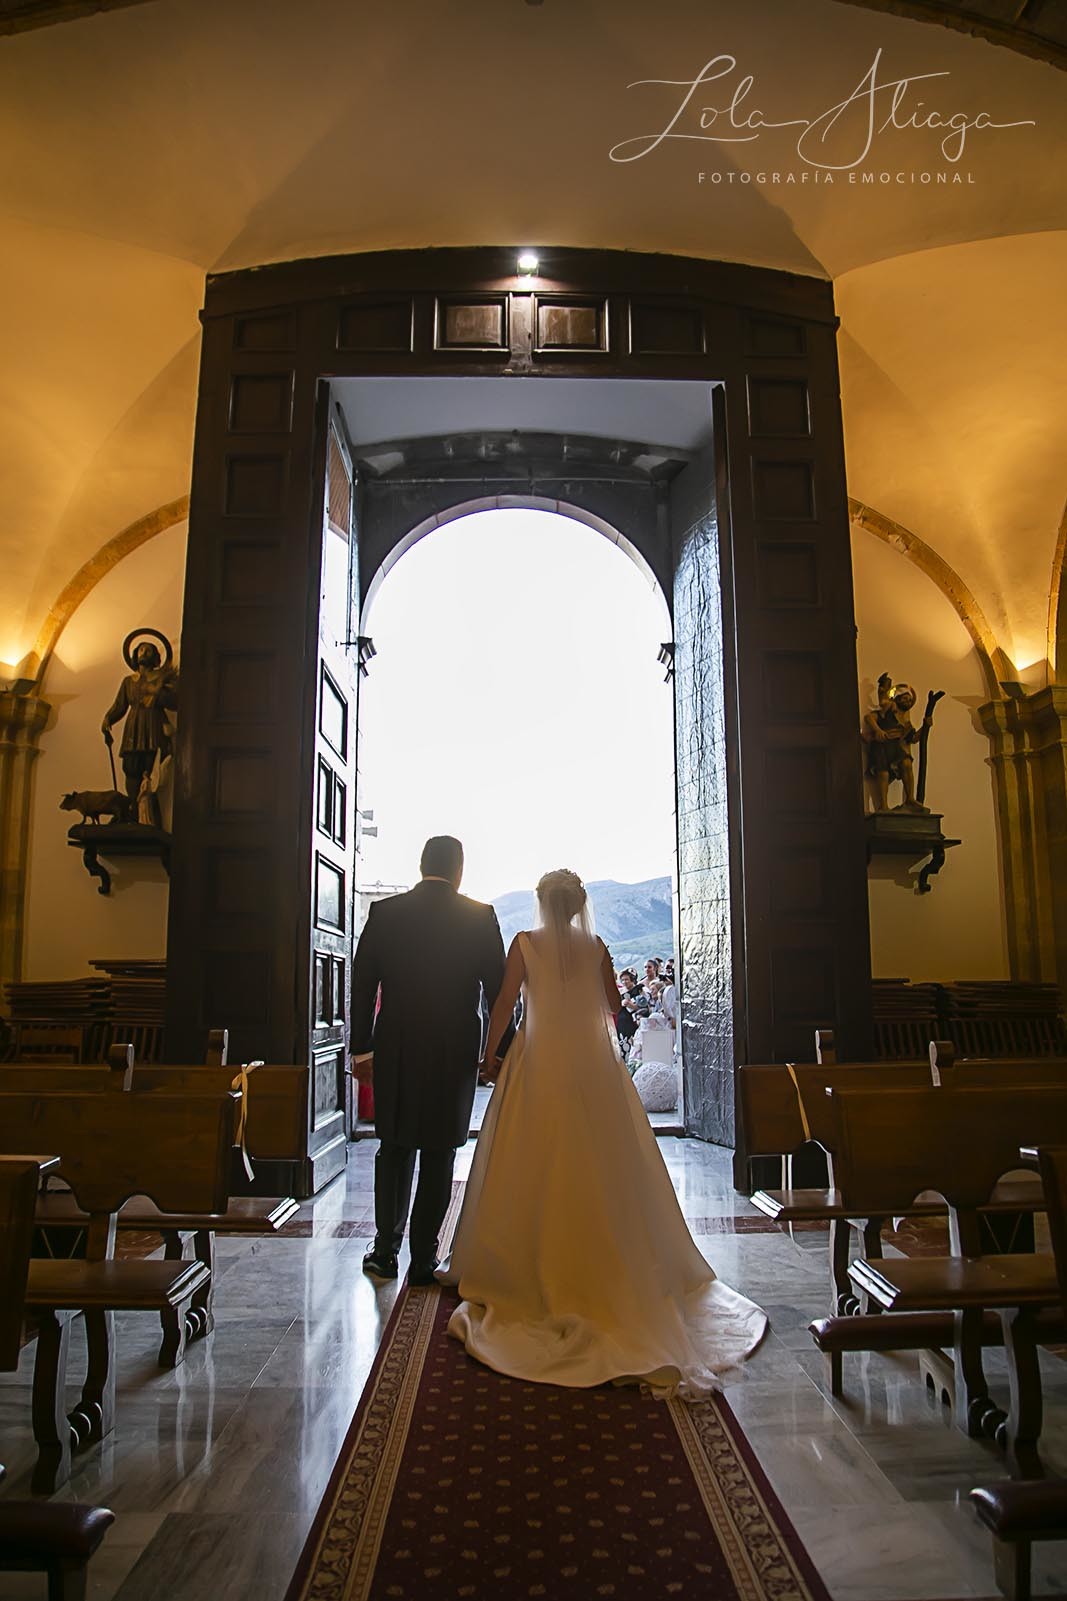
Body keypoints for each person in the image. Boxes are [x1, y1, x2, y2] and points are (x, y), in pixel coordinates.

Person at [439, 868, 766, 1398]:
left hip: (536, 1062)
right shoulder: (596, 946)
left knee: (530, 1158)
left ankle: (523, 1263)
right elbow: (613, 1005)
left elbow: (503, 1004)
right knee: (604, 1161)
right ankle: (605, 1256)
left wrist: (489, 1054)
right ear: (578, 906)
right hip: (592, 1068)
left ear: (543, 904)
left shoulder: (524, 944)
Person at [350, 835, 506, 1286]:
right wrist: (496, 1054)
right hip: (454, 1051)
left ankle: (384, 1251)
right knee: (439, 1153)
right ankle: (424, 1258)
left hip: (396, 1047)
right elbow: (499, 996)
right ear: (460, 871)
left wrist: (362, 1048)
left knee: (395, 1148)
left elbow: (362, 985)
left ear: (421, 866)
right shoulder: (480, 917)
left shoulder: (386, 914)